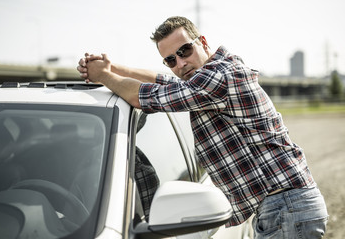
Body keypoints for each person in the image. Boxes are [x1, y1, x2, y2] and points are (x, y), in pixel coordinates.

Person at [77, 16, 328, 238]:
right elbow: (161, 80)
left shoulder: (218, 78)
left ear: (203, 42)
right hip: (284, 206)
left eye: (185, 50)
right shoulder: (207, 76)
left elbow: (143, 97)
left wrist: (103, 76)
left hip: (286, 208)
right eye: (170, 60)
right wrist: (113, 67)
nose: (180, 63)